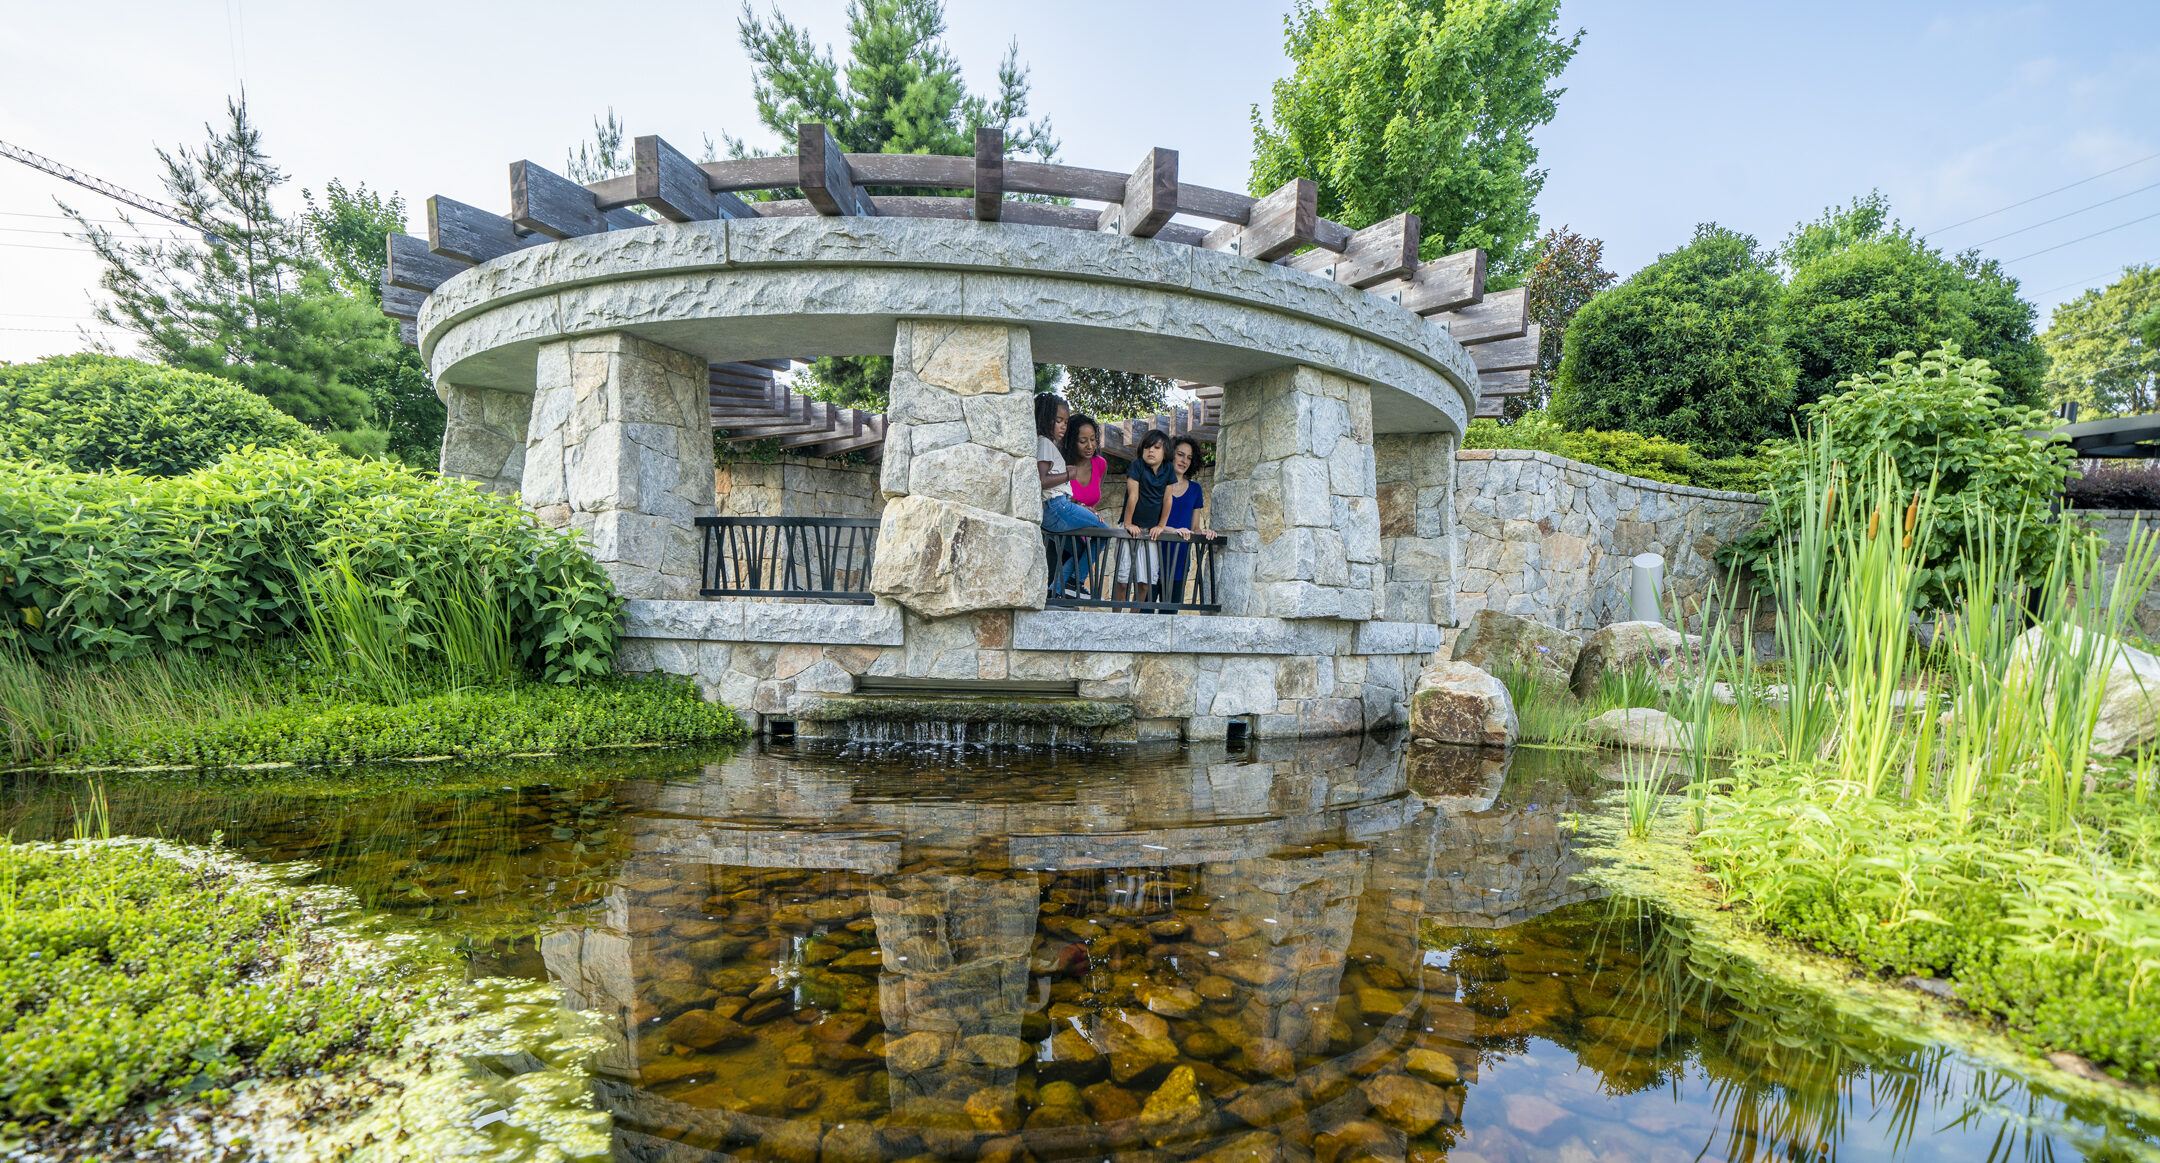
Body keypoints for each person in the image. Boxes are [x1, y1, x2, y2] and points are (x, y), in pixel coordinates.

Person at [1035, 394, 1111, 599]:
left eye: (1065, 422)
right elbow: (1041, 480)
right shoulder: (1044, 443)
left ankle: (1058, 588)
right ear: (1044, 418)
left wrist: (1080, 505)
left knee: (1079, 548)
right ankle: (1073, 580)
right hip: (1057, 507)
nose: (1062, 426)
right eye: (1058, 421)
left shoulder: (1049, 445)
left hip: (1060, 508)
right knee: (1104, 532)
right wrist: (1070, 474)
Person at [1115, 430, 1177, 608]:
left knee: (1145, 582)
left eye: (1157, 447)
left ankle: (1135, 620)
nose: (1151, 451)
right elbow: (1132, 495)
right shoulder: (1137, 465)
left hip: (1150, 532)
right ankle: (1114, 620)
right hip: (1130, 528)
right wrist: (1128, 523)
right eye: (1147, 447)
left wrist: (1160, 526)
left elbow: (1167, 499)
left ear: (1165, 451)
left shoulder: (1168, 469)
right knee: (1122, 580)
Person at [1158, 435, 1220, 608]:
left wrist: (1206, 532)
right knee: (1145, 613)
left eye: (1189, 457)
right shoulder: (1157, 484)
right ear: (1170, 454)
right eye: (1180, 454)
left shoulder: (1195, 489)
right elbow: (1151, 523)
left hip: (1180, 560)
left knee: (1171, 616)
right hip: (1154, 557)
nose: (1184, 460)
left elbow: (1194, 528)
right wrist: (1173, 530)